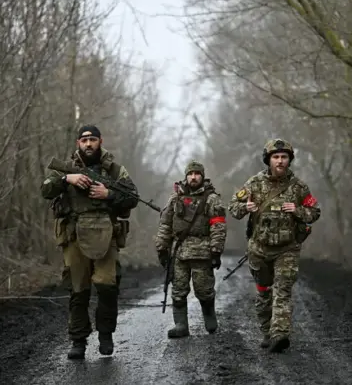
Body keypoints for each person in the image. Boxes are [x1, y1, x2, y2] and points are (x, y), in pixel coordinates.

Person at [41, 125, 139, 359]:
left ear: (100, 141)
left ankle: (105, 336)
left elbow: (133, 197)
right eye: (84, 140)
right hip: (74, 235)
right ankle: (78, 341)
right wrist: (67, 179)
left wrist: (109, 195)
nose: (88, 144)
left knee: (107, 287)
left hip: (106, 234)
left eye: (92, 139)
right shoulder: (67, 168)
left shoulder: (114, 170)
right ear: (78, 143)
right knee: (78, 289)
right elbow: (46, 190)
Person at [228, 139, 321, 353]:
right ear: (268, 159)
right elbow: (233, 207)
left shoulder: (299, 187)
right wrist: (245, 207)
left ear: (289, 160)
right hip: (259, 249)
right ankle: (267, 331)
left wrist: (297, 210)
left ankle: (280, 334)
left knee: (283, 289)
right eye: (276, 157)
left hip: (287, 248)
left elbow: (315, 212)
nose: (280, 161)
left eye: (284, 157)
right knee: (263, 292)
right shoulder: (254, 183)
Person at [155, 160, 227, 338]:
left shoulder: (211, 198)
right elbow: (165, 225)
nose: (193, 177)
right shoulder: (175, 198)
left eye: (197, 174)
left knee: (204, 290)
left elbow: (218, 227)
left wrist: (216, 251)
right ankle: (181, 325)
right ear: (185, 176)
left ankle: (209, 316)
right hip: (178, 252)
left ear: (202, 176)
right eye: (190, 174)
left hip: (202, 252)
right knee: (178, 290)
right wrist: (162, 249)